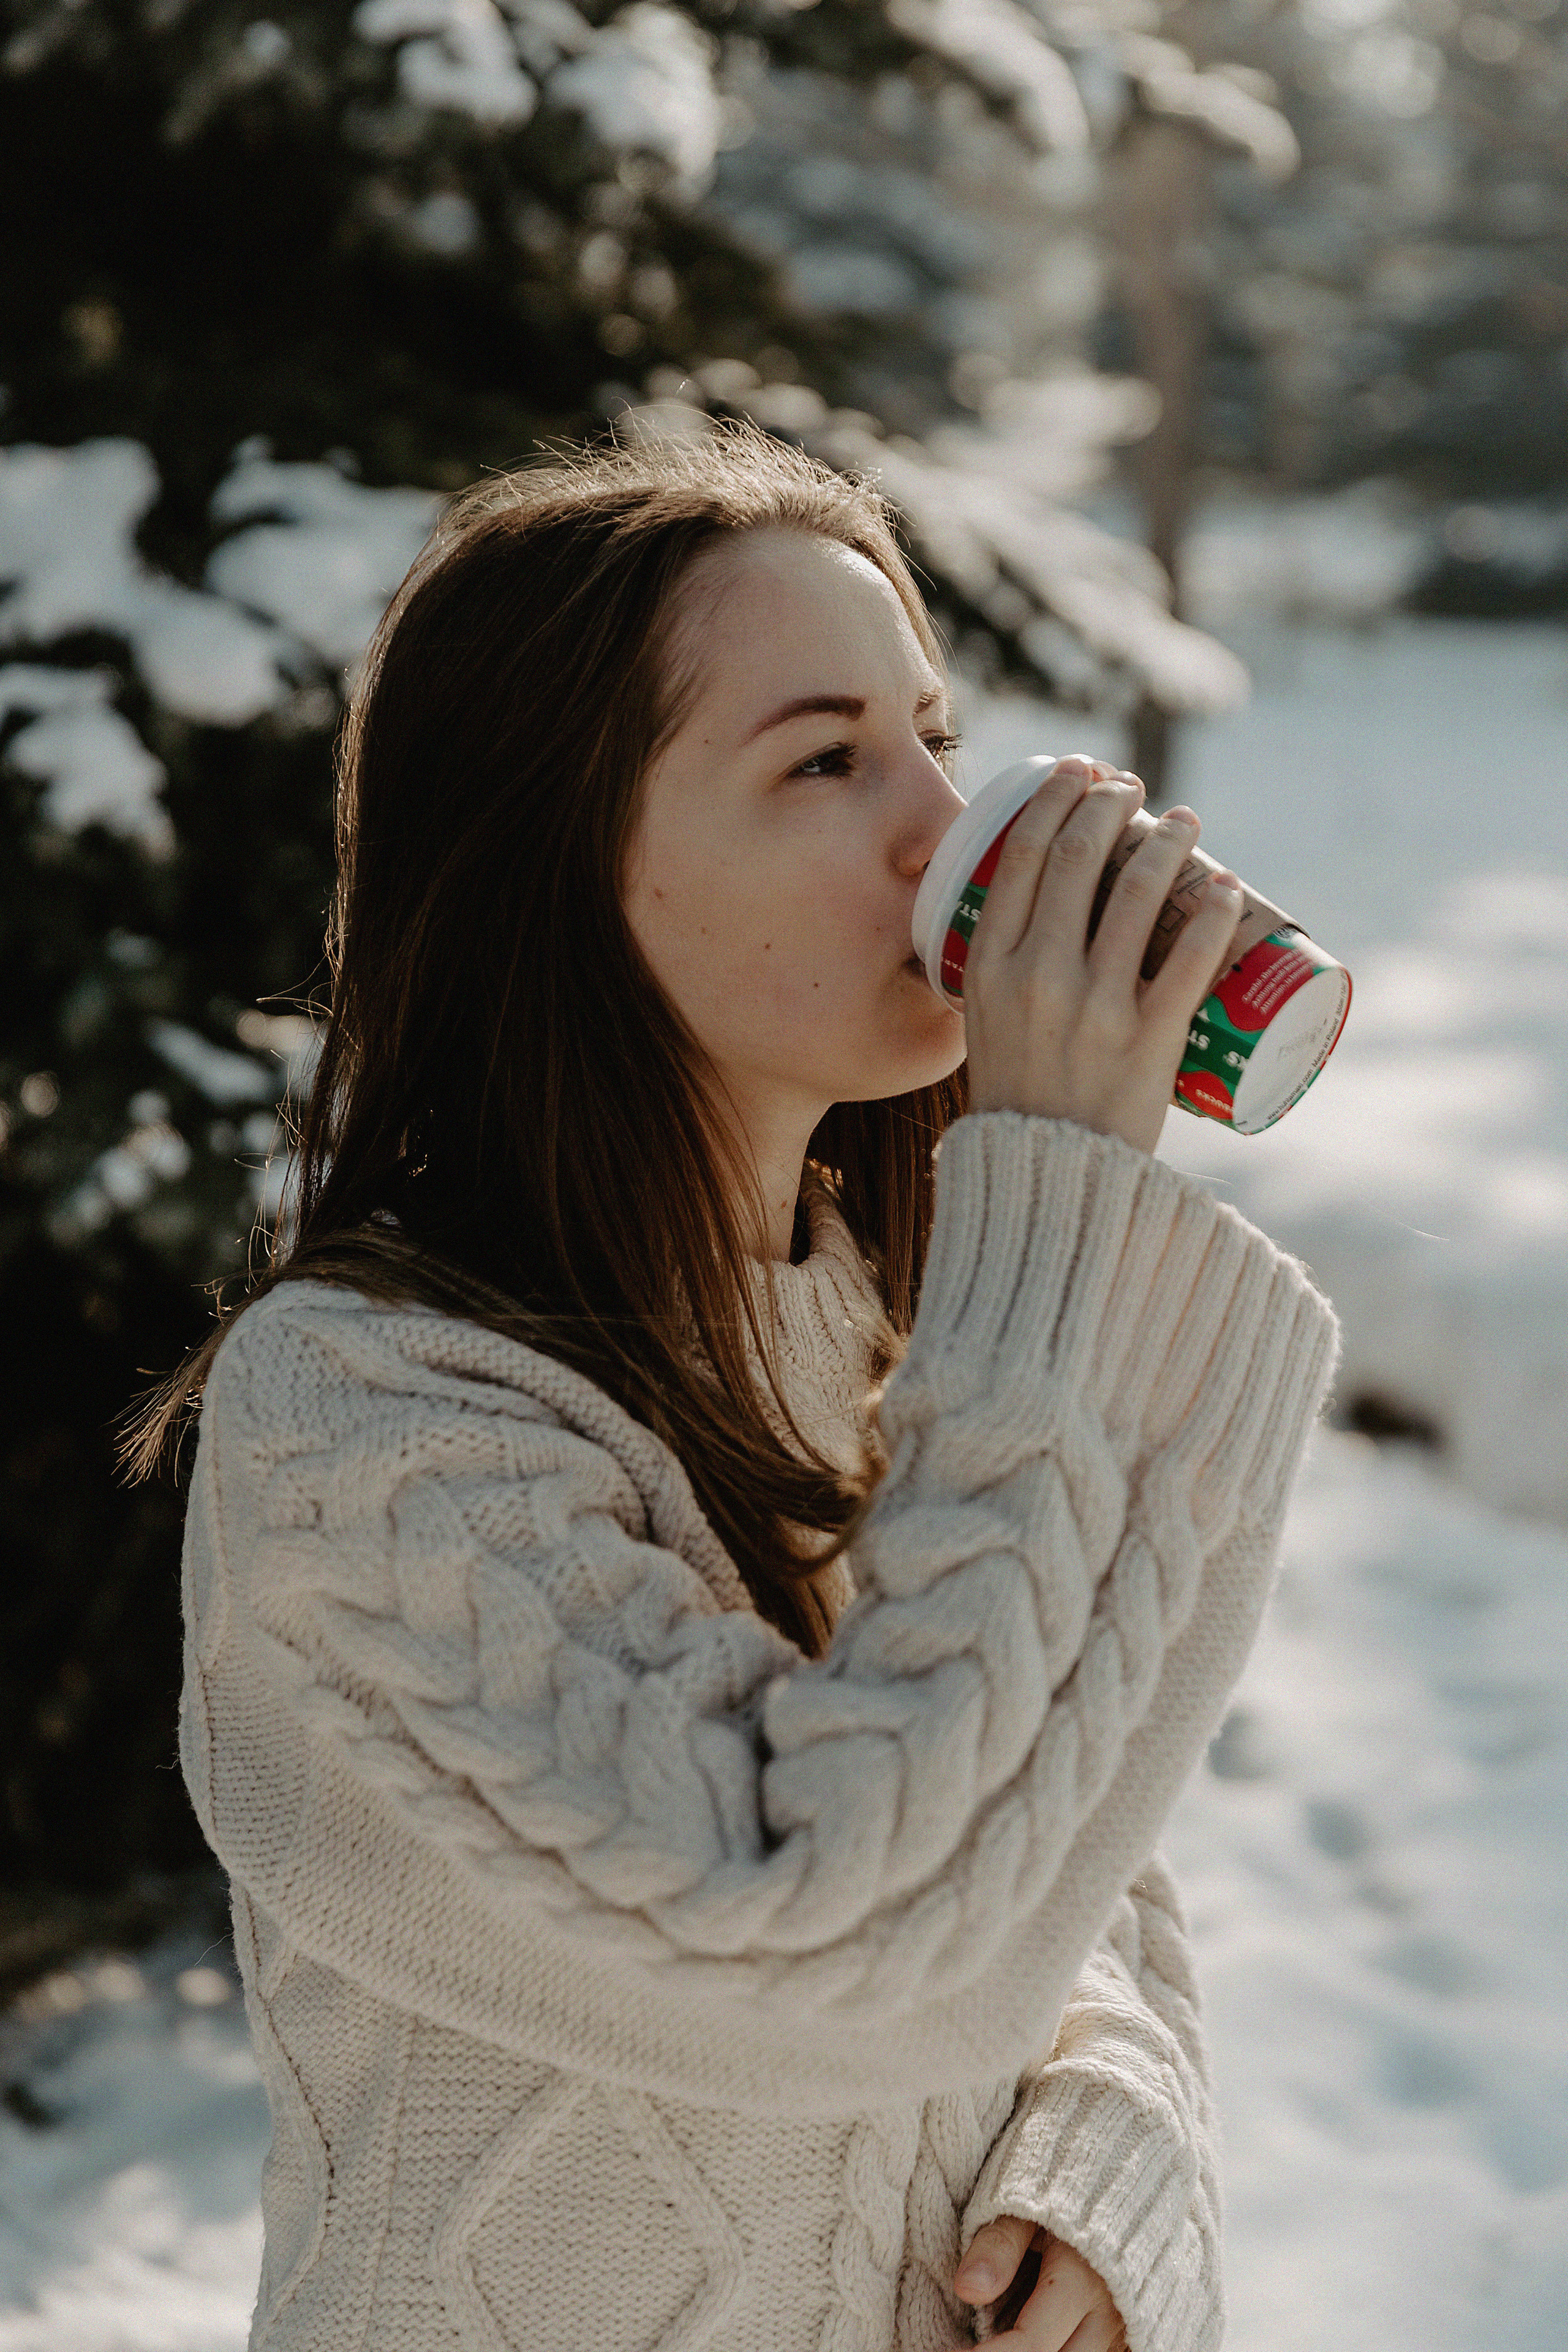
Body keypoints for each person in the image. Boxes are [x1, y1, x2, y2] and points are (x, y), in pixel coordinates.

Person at [127, 417, 1341, 2352]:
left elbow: (1069, 1857)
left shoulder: (862, 1318)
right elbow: (843, 1945)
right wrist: (1078, 1211)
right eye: (828, 759)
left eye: (932, 732)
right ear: (569, 870)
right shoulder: (365, 1433)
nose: (946, 824)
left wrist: (1110, 2137)